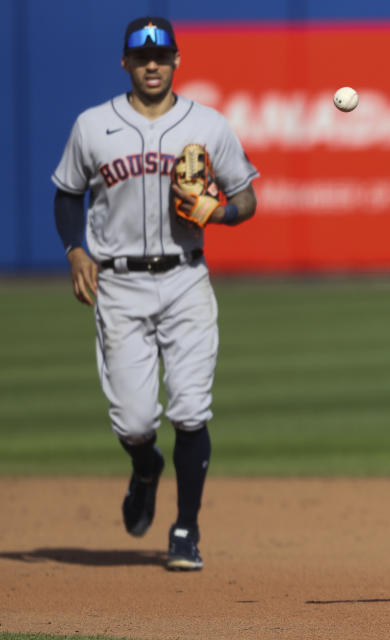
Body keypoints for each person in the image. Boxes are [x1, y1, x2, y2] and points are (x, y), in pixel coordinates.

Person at [51, 16, 259, 571]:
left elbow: (247, 198)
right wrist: (76, 250)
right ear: (125, 62)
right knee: (136, 423)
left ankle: (186, 528)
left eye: (162, 56)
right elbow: (68, 194)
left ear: (176, 61)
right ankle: (145, 468)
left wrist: (223, 211)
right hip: (118, 283)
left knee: (191, 409)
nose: (152, 65)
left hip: (186, 277)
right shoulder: (93, 126)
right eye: (142, 57)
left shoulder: (208, 124)